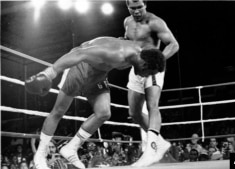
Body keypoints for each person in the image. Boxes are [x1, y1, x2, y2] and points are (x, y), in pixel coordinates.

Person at [25, 36, 165, 169]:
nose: (146, 76)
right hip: (80, 67)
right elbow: (80, 53)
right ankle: (39, 156)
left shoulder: (142, 53)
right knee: (58, 112)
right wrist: (50, 73)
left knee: (103, 113)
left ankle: (70, 148)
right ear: (144, 64)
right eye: (149, 73)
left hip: (98, 75)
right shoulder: (116, 53)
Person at [123, 0, 179, 167]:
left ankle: (151, 149)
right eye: (133, 8)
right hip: (135, 68)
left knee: (152, 105)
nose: (137, 11)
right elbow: (129, 41)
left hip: (152, 69)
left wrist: (157, 61)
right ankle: (160, 143)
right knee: (134, 113)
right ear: (127, 7)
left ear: (145, 5)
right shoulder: (127, 21)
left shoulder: (155, 22)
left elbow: (174, 45)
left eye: (140, 7)